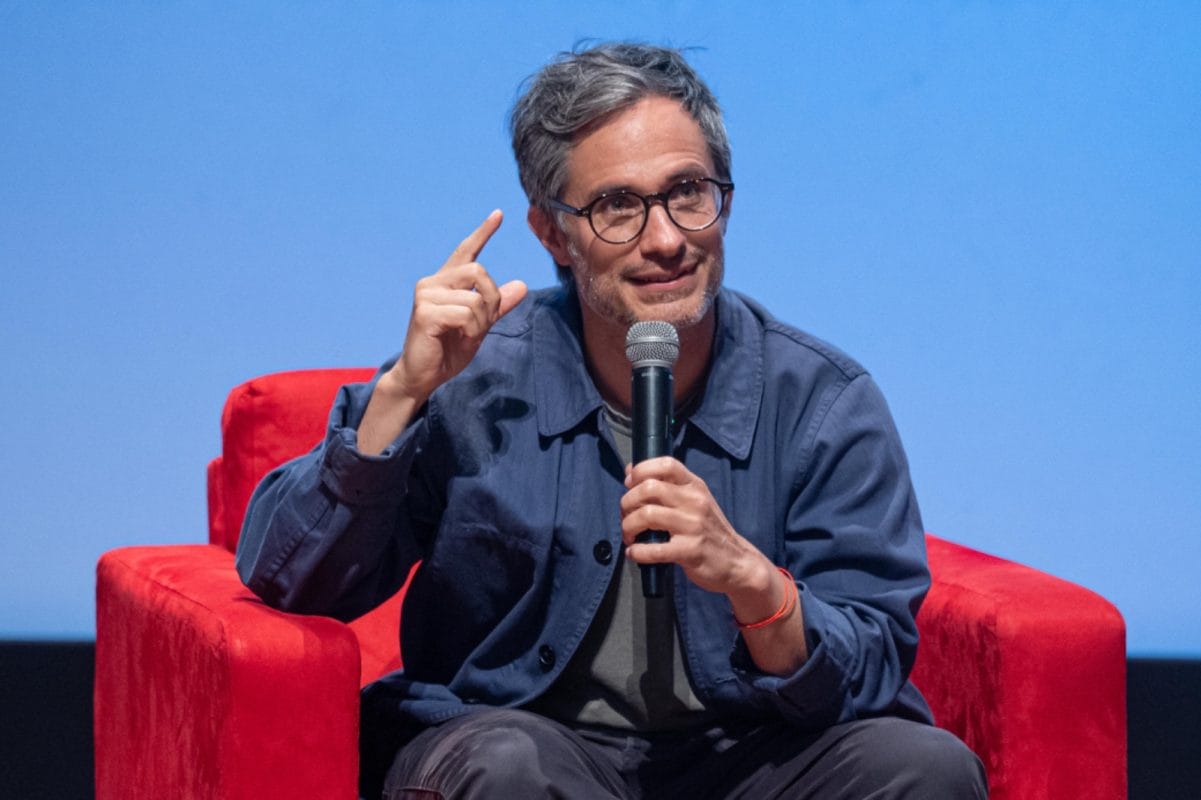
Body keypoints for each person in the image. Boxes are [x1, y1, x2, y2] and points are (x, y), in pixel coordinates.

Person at [236, 42, 988, 799]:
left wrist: (754, 585)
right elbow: (290, 582)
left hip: (748, 753)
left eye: (687, 192)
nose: (664, 240)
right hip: (526, 736)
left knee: (927, 770)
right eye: (617, 207)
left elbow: (870, 658)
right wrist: (402, 391)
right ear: (551, 233)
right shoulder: (477, 380)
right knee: (507, 769)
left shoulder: (822, 400)